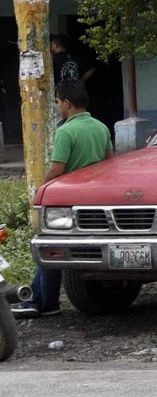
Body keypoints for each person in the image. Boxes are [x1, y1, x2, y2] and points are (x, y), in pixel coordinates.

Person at [13, 80, 113, 319]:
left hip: (70, 203)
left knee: (51, 248)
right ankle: (41, 298)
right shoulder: (101, 127)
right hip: (97, 201)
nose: (57, 106)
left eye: (57, 102)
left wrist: (42, 189)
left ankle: (44, 301)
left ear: (67, 103)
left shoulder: (65, 131)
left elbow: (58, 168)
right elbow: (111, 161)